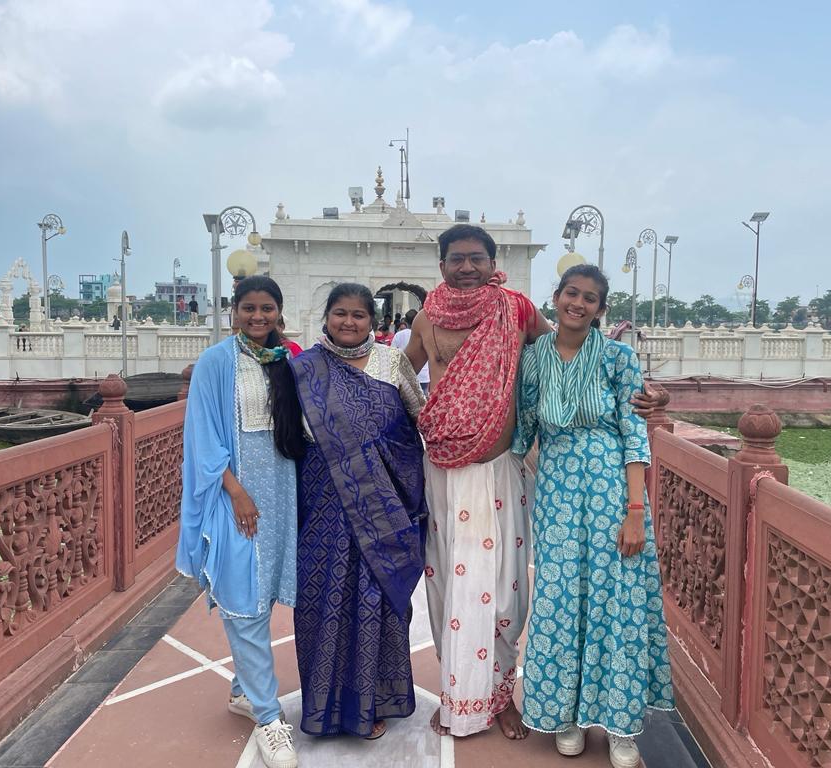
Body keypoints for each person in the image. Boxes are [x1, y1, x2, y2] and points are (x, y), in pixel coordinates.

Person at [512, 264, 673, 768]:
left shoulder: (618, 357)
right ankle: (562, 715)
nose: (577, 304)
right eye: (571, 294)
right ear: (556, 297)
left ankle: (619, 723)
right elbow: (523, 427)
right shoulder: (533, 357)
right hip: (557, 492)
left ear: (601, 309)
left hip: (610, 490)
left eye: (590, 298)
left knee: (615, 599)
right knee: (561, 598)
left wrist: (635, 511)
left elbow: (633, 435)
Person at [403, 223, 551, 740]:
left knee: (506, 588)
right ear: (441, 265)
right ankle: (459, 692)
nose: (467, 267)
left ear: (493, 262)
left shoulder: (517, 311)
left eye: (476, 258)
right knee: (449, 583)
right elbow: (397, 376)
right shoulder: (426, 319)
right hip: (443, 470)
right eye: (456, 259)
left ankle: (502, 696)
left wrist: (627, 392)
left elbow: (566, 357)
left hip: (500, 471)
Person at [176, 276, 304, 768]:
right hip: (238, 498)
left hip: (283, 491)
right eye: (248, 308)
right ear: (233, 311)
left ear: (279, 311)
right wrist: (235, 492)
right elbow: (204, 435)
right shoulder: (216, 363)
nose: (258, 317)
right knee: (243, 598)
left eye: (267, 308)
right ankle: (269, 717)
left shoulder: (286, 360)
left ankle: (244, 690)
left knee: (265, 593)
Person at [290, 283, 427, 740]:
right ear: (325, 317)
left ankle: (371, 704)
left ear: (374, 320)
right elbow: (287, 438)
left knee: (379, 598)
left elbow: (419, 419)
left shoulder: (392, 362)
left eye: (359, 316)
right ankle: (325, 705)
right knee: (323, 598)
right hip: (324, 502)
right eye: (340, 314)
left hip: (384, 502)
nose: (349, 323)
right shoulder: (302, 370)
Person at [391, 309, 429, 395]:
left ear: (406, 322)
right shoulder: (425, 334)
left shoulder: (399, 335)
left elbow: (392, 354)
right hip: (424, 376)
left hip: (404, 377)